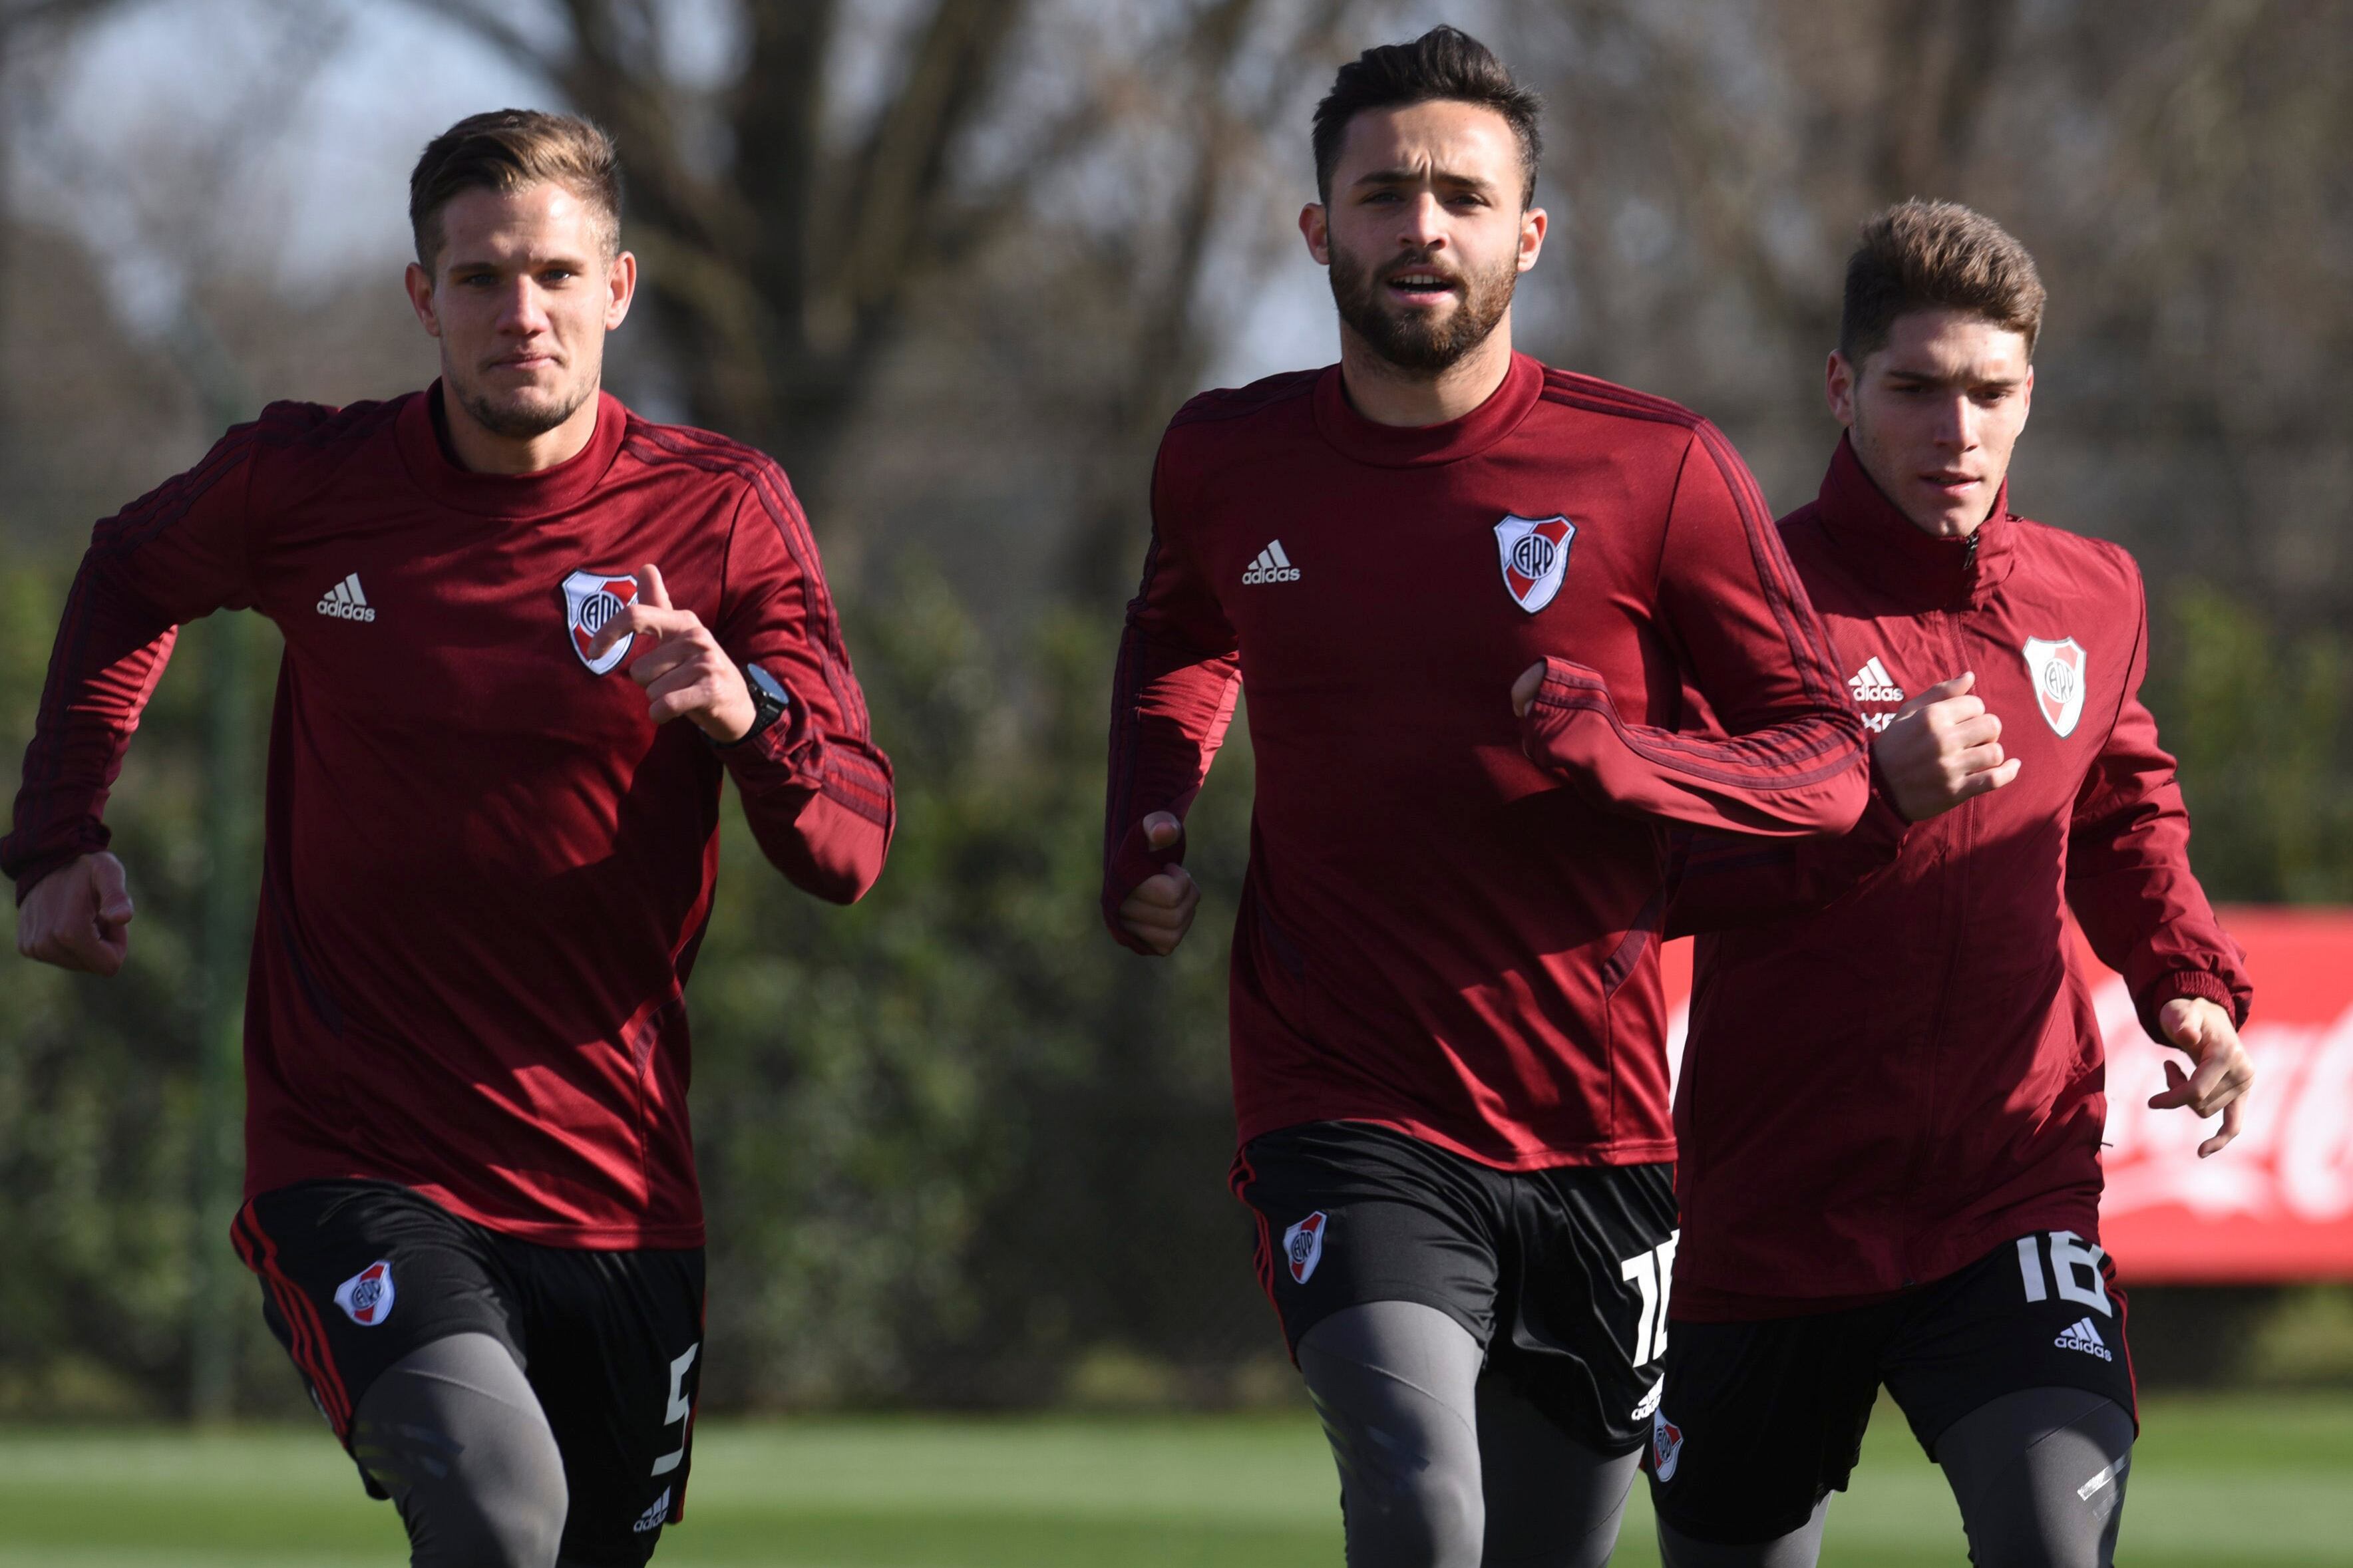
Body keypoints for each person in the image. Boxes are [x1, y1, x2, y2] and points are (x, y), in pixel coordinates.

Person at [5, 110, 892, 1568]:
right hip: (357, 1158)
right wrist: (56, 836)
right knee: (494, 1511)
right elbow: (127, 571)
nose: (519, 312)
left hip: (617, 1192)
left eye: (555, 273)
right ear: (424, 297)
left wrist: (747, 716)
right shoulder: (307, 483)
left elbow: (851, 847)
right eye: (480, 278)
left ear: (618, 286)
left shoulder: (722, 513)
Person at [1103, 28, 1873, 1568]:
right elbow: (1180, 633)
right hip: (1344, 1104)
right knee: (1417, 1498)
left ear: (1527, 234)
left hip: (1596, 1131)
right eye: (1383, 195)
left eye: (1462, 196)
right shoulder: (1225, 457)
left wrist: (1631, 758)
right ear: (1318, 230)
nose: (1422, 227)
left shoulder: (1656, 468)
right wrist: (1147, 811)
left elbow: (1829, 762)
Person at [1646, 200, 2255, 1568]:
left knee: (2053, 1539)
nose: (1956, 430)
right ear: (1841, 386)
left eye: (1990, 392)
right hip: (1776, 1211)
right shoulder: (1742, 601)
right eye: (1916, 389)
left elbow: (2124, 813)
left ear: (2030, 394)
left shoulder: (2093, 597)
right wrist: (1868, 792)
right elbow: (1661, 866)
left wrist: (2189, 986)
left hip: (2008, 1190)